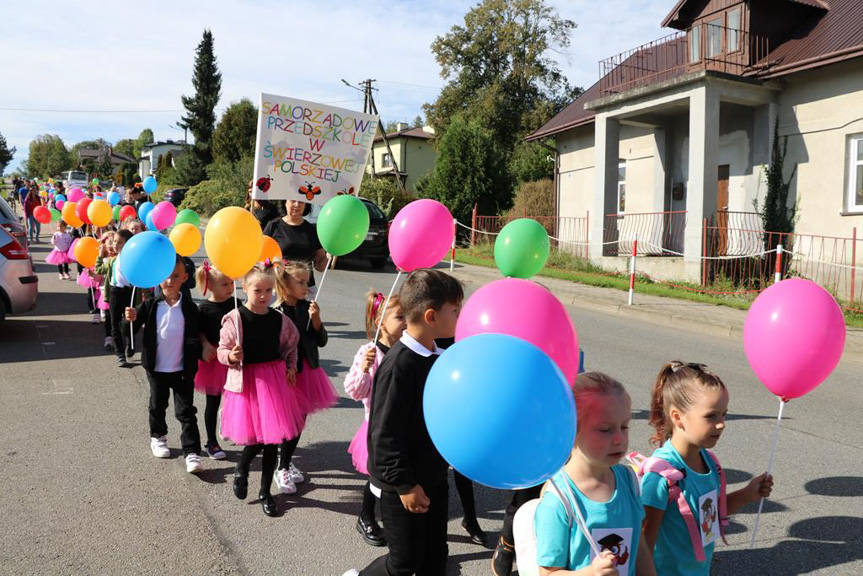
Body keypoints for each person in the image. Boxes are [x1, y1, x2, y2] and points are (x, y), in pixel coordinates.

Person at [343, 269, 464, 576]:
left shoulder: (438, 355)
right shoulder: (400, 365)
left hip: (433, 475)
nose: (460, 316)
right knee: (404, 561)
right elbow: (384, 435)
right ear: (431, 316)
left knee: (436, 556)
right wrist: (406, 485)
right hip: (401, 485)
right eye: (455, 310)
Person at [641, 362, 775, 575]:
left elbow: (708, 518)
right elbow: (643, 546)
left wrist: (748, 494)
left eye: (724, 414)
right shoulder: (660, 476)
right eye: (711, 415)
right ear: (677, 417)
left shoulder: (709, 461)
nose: (721, 423)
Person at [534, 372, 655, 576]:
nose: (619, 439)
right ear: (570, 433)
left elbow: (639, 547)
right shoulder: (558, 501)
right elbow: (548, 573)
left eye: (624, 426)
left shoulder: (628, 479)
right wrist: (590, 573)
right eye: (605, 429)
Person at [217, 262, 305, 517]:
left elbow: (291, 345)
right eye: (258, 290)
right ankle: (242, 468)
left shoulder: (280, 319)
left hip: (273, 381)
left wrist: (291, 367)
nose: (264, 295)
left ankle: (266, 492)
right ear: (245, 288)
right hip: (247, 383)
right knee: (255, 438)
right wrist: (231, 356)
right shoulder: (234, 318)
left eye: (269, 290)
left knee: (272, 440)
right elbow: (222, 349)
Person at [124, 256, 204, 474]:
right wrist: (129, 319)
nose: (170, 281)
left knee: (186, 411)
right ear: (159, 279)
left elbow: (199, 334)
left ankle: (192, 451)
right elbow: (128, 331)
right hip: (157, 368)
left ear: (185, 278)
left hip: (182, 370)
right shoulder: (150, 306)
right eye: (166, 276)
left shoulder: (190, 308)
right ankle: (158, 436)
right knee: (157, 406)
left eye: (176, 276)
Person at [344, 290, 406, 547]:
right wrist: (363, 369)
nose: (406, 322)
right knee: (376, 477)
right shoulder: (370, 352)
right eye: (400, 316)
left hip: (403, 423)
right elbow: (355, 391)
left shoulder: (407, 349)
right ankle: (366, 515)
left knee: (398, 474)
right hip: (377, 427)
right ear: (379, 319)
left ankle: (400, 518)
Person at [273, 259, 338, 495]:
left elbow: (320, 341)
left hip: (308, 371)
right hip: (288, 375)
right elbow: (276, 348)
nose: (305, 287)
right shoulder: (277, 313)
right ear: (284, 283)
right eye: (300, 282)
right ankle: (281, 467)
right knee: (288, 422)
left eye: (307, 282)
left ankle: (286, 461)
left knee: (299, 422)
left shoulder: (307, 308)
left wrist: (318, 320)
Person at [193, 262, 238, 460]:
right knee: (213, 401)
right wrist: (204, 345)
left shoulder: (236, 303)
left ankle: (232, 426)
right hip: (213, 360)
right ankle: (211, 441)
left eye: (231, 283)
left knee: (237, 398)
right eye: (224, 284)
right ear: (210, 286)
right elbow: (198, 331)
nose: (230, 288)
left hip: (234, 357)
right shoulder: (204, 308)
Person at [262, 200, 328, 290]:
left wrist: (327, 257)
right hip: (279, 288)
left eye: (301, 202)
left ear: (306, 205)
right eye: (293, 201)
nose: (297, 205)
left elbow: (320, 266)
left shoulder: (312, 230)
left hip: (305, 289)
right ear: (285, 202)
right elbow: (261, 258)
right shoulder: (273, 226)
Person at [96, 229, 135, 366]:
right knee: (115, 323)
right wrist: (100, 256)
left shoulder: (133, 260)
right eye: (115, 242)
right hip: (115, 292)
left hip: (129, 293)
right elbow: (99, 269)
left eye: (119, 242)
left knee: (129, 322)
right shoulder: (112, 260)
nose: (115, 244)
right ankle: (120, 354)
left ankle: (130, 343)